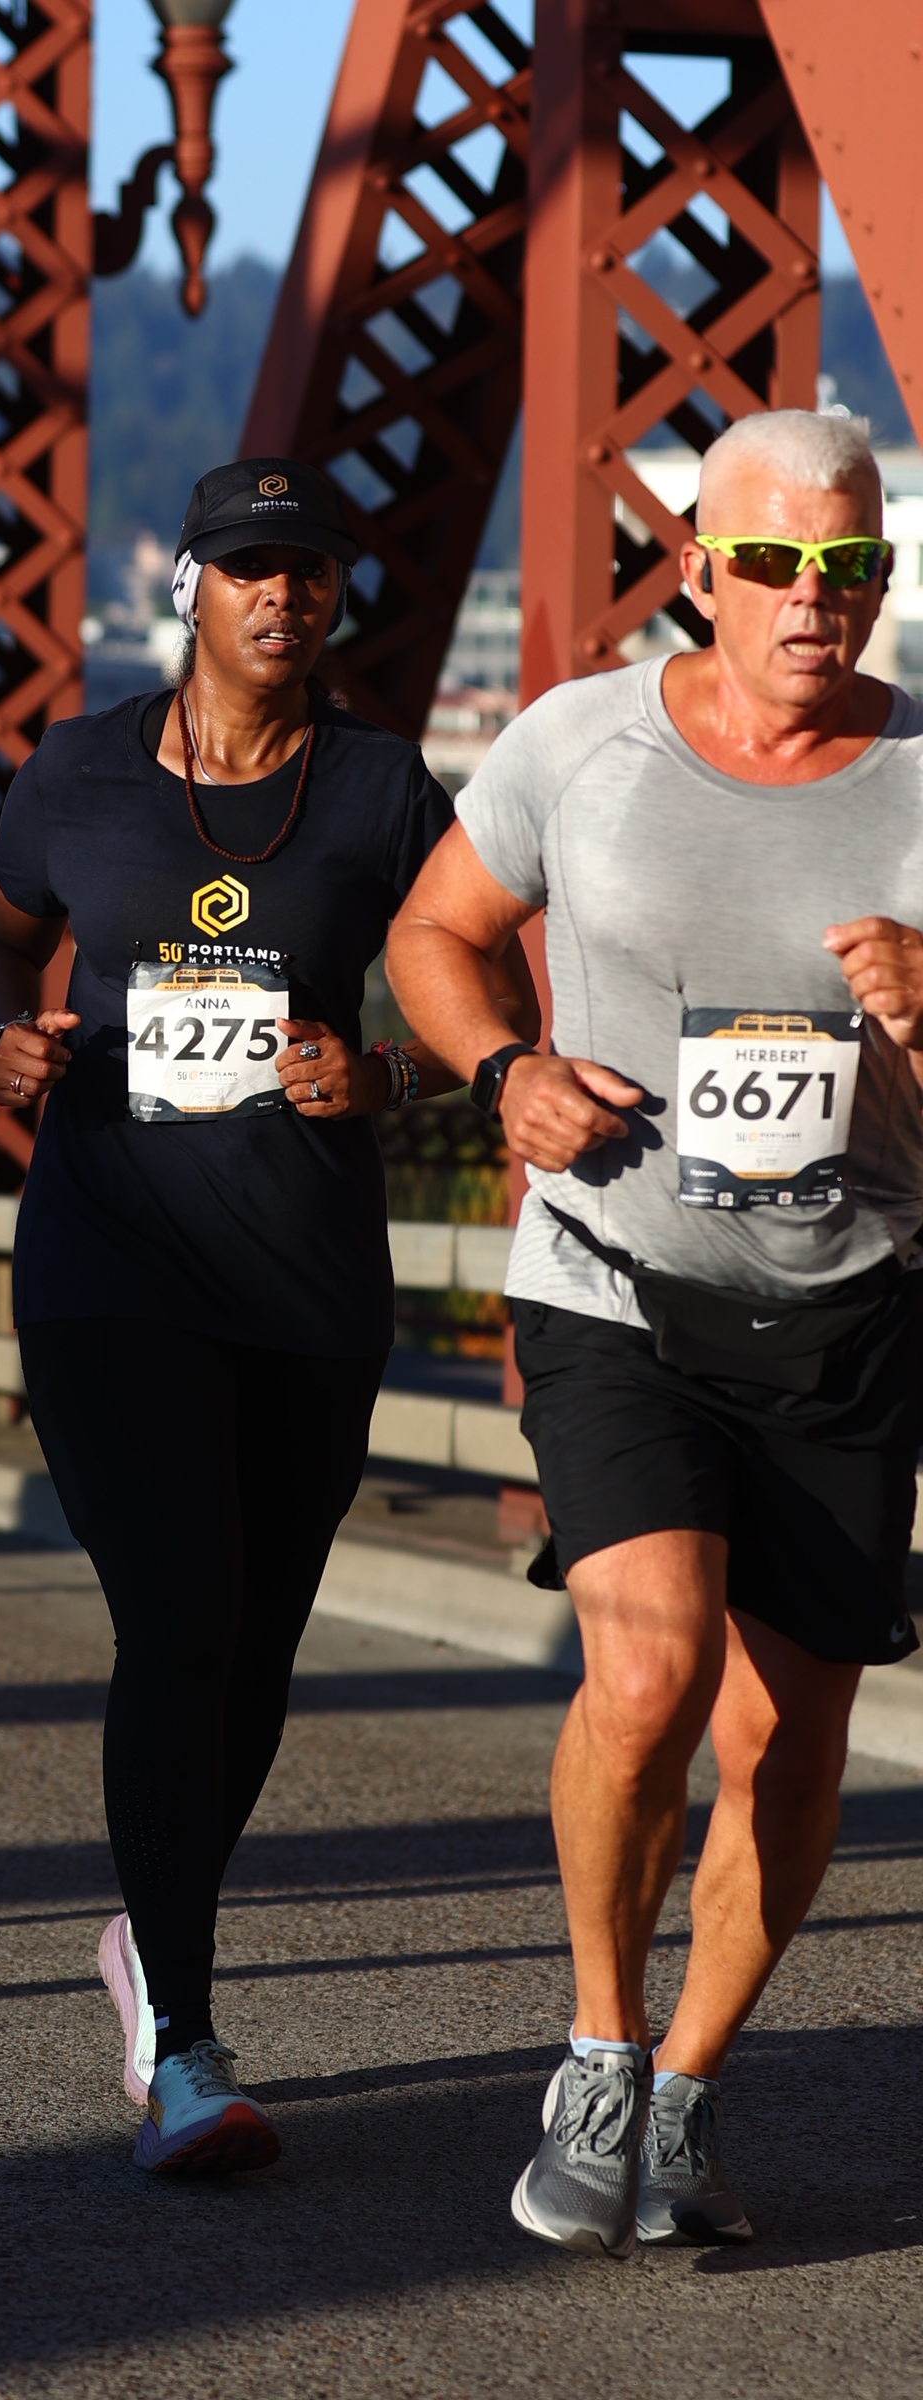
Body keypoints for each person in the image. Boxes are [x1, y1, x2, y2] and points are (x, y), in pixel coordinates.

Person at [386, 408, 923, 2256]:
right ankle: (600, 2048)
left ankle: (687, 2090)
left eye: (849, 567)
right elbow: (436, 933)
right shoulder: (579, 740)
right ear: (699, 570)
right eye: (772, 562)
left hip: (852, 1311)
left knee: (788, 1742)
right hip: (613, 1277)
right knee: (650, 1670)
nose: (811, 599)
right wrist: (503, 1070)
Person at [0, 457, 538, 2174]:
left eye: (309, 569)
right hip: (110, 1266)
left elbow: (486, 986)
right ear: (191, 587)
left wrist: (387, 1077)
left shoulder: (379, 788)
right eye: (249, 566)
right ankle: (187, 2048)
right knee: (182, 1617)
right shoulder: (77, 768)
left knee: (258, 1647)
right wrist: (0, 1039)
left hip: (304, 1278)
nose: (282, 593)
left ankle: (149, 1931)